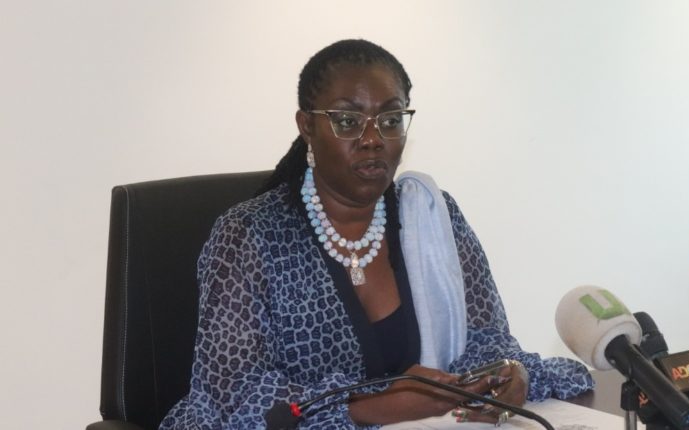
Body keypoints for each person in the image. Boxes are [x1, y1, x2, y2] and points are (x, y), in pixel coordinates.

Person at [160, 39, 593, 429]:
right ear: (307, 126)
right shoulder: (249, 235)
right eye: (348, 121)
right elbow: (233, 394)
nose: (373, 139)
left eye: (390, 119)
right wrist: (371, 405)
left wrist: (507, 373)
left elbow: (484, 338)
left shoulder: (432, 216)